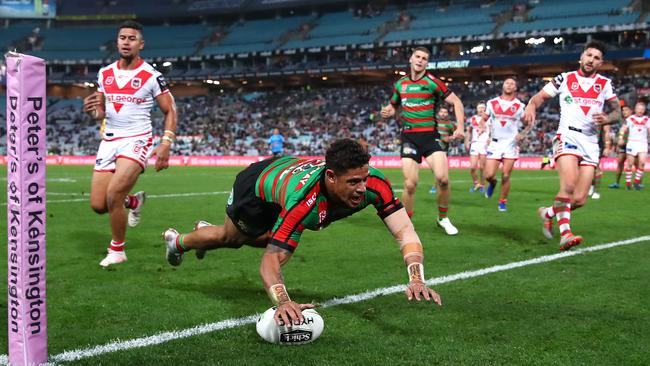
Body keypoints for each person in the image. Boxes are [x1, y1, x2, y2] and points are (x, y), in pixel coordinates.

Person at [162, 139, 442, 325]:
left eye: (365, 179)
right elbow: (270, 262)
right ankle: (179, 241)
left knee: (262, 238)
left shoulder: (375, 186)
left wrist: (416, 277)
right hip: (257, 189)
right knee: (232, 239)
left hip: (288, 179)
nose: (361, 188)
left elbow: (405, 230)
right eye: (353, 181)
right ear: (331, 177)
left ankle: (204, 232)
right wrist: (283, 302)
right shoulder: (303, 202)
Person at [83, 21, 177, 267]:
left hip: (137, 140)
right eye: (122, 37)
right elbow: (101, 113)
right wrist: (93, 112)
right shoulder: (105, 73)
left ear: (141, 44)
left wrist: (166, 143)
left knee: (113, 194)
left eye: (131, 38)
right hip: (110, 139)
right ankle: (133, 201)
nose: (126, 41)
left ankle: (117, 250)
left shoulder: (151, 76)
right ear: (117, 42)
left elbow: (170, 110)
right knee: (98, 205)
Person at [525, 41, 621, 251]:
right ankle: (565, 234)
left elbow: (617, 112)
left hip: (590, 142)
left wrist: (608, 118)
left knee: (579, 199)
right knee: (567, 186)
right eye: (588, 55)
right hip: (567, 135)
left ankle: (548, 213)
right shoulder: (565, 78)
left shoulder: (604, 83)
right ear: (581, 57)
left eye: (596, 58)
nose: (591, 60)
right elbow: (539, 97)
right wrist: (531, 106)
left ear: (601, 63)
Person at [380, 46, 465, 236]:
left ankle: (443, 218)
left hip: (430, 136)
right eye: (417, 56)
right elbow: (393, 105)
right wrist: (388, 111)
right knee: (410, 184)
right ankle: (407, 224)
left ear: (427, 63)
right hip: (409, 137)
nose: (420, 60)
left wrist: (460, 127)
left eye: (424, 58)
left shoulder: (433, 82)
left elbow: (457, 101)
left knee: (443, 179)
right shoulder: (400, 85)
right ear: (411, 59)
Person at [482, 77, 532, 212]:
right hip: (495, 142)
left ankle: (502, 201)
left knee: (505, 175)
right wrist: (483, 129)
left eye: (512, 84)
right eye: (507, 83)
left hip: (511, 143)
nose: (509, 85)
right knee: (488, 175)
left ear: (515, 88)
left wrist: (523, 133)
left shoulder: (520, 106)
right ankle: (492, 183)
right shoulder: (492, 103)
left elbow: (530, 122)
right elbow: (484, 119)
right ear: (503, 86)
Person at [621, 102, 649, 190]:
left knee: (642, 163)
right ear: (635, 109)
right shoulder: (630, 119)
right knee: (630, 164)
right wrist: (621, 137)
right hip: (632, 143)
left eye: (642, 109)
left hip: (643, 143)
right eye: (639, 109)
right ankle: (628, 184)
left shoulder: (647, 119)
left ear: (644, 110)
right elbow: (623, 128)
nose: (640, 111)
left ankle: (636, 182)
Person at [428, 107, 456, 194]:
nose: (443, 114)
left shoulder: (450, 124)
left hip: (443, 149)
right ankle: (441, 183)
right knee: (434, 169)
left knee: (439, 169)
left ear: (447, 114)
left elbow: (455, 135)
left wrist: (450, 138)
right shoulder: (433, 122)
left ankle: (435, 186)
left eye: (445, 112)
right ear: (439, 113)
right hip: (432, 148)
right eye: (441, 112)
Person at [465, 102, 488, 193]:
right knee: (473, 167)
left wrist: (491, 138)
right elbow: (469, 131)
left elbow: (493, 130)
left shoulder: (489, 119)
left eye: (483, 108)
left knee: (482, 167)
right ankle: (476, 184)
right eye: (479, 108)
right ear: (477, 109)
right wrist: (466, 141)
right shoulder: (473, 118)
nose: (481, 109)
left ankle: (482, 185)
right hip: (475, 143)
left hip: (484, 144)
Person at [608, 105, 633, 188]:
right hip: (623, 146)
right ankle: (617, 182)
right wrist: (617, 143)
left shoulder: (634, 120)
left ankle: (636, 183)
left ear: (631, 111)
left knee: (636, 163)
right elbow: (618, 134)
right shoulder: (622, 121)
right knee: (620, 162)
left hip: (633, 145)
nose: (624, 112)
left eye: (626, 110)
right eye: (623, 110)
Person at [588, 124, 611, 199]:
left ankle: (596, 191)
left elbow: (607, 131)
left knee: (596, 167)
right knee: (588, 167)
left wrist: (607, 147)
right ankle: (591, 186)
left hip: (596, 145)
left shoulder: (601, 117)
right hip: (585, 143)